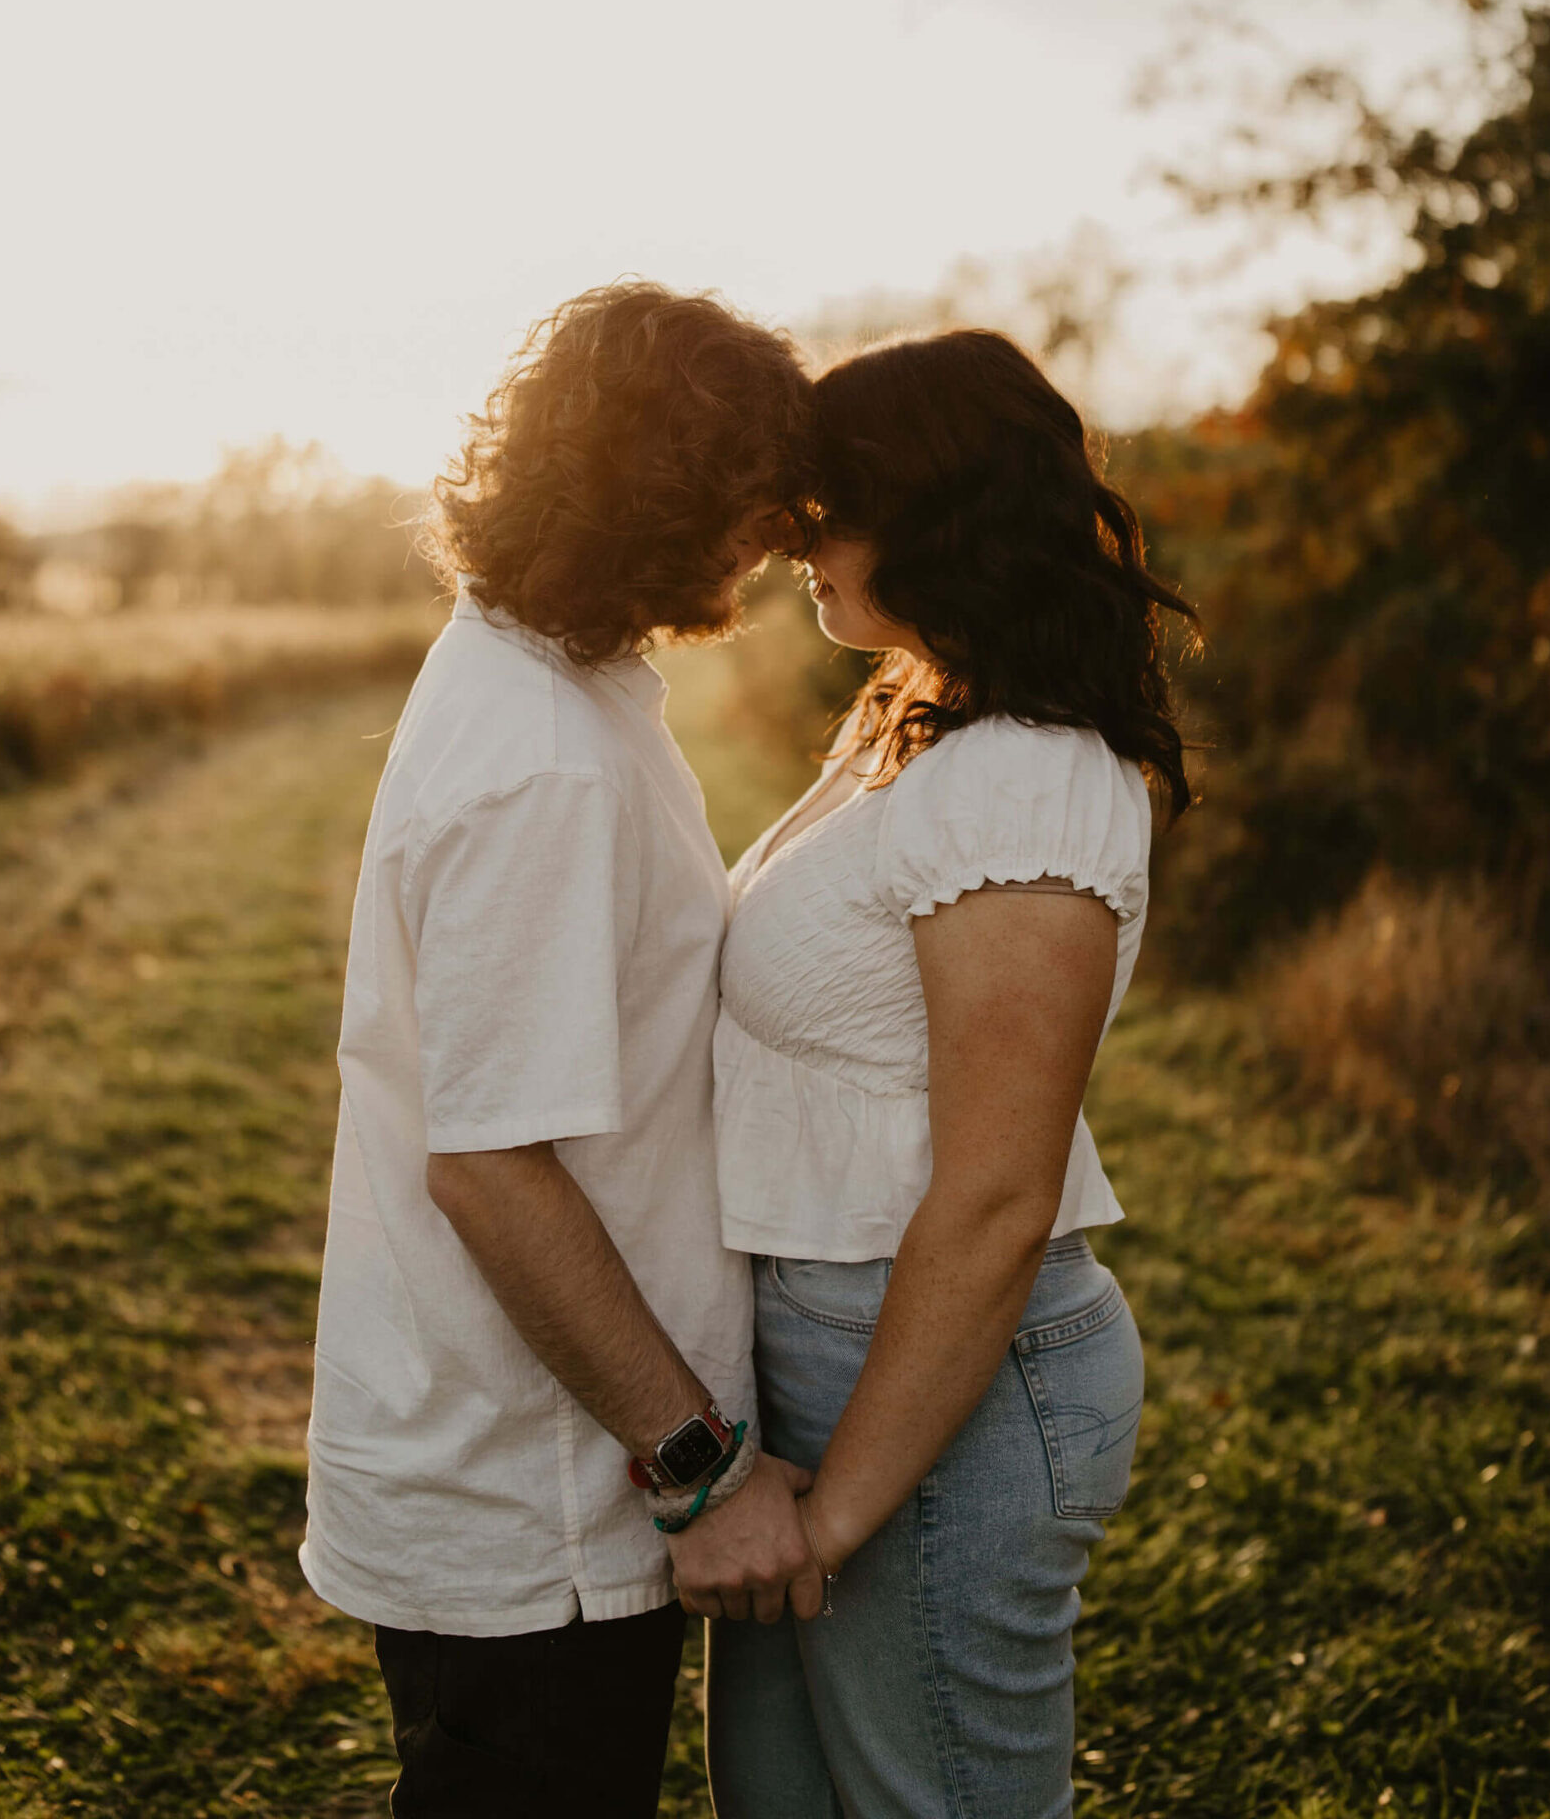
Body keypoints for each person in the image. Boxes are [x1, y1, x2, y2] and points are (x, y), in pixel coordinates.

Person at [300, 282, 823, 1819]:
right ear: (660, 486)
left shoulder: (547, 675)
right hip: (541, 1506)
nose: (781, 530)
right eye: (753, 492)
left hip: (542, 1472)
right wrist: (701, 1469)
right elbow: (492, 1170)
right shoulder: (541, 762)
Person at [703, 328, 1198, 1819]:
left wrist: (838, 1511)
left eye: (830, 506)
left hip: (939, 1394)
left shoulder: (1028, 776)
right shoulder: (917, 713)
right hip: (825, 1354)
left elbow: (993, 1194)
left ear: (939, 517)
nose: (800, 541)